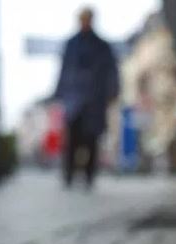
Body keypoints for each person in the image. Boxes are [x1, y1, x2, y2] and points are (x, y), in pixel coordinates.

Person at [54, 7, 119, 188]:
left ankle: (89, 177)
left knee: (91, 139)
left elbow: (112, 71)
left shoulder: (102, 46)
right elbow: (63, 70)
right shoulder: (71, 44)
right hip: (73, 99)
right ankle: (68, 176)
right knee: (72, 139)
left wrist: (112, 92)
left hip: (94, 99)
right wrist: (59, 95)